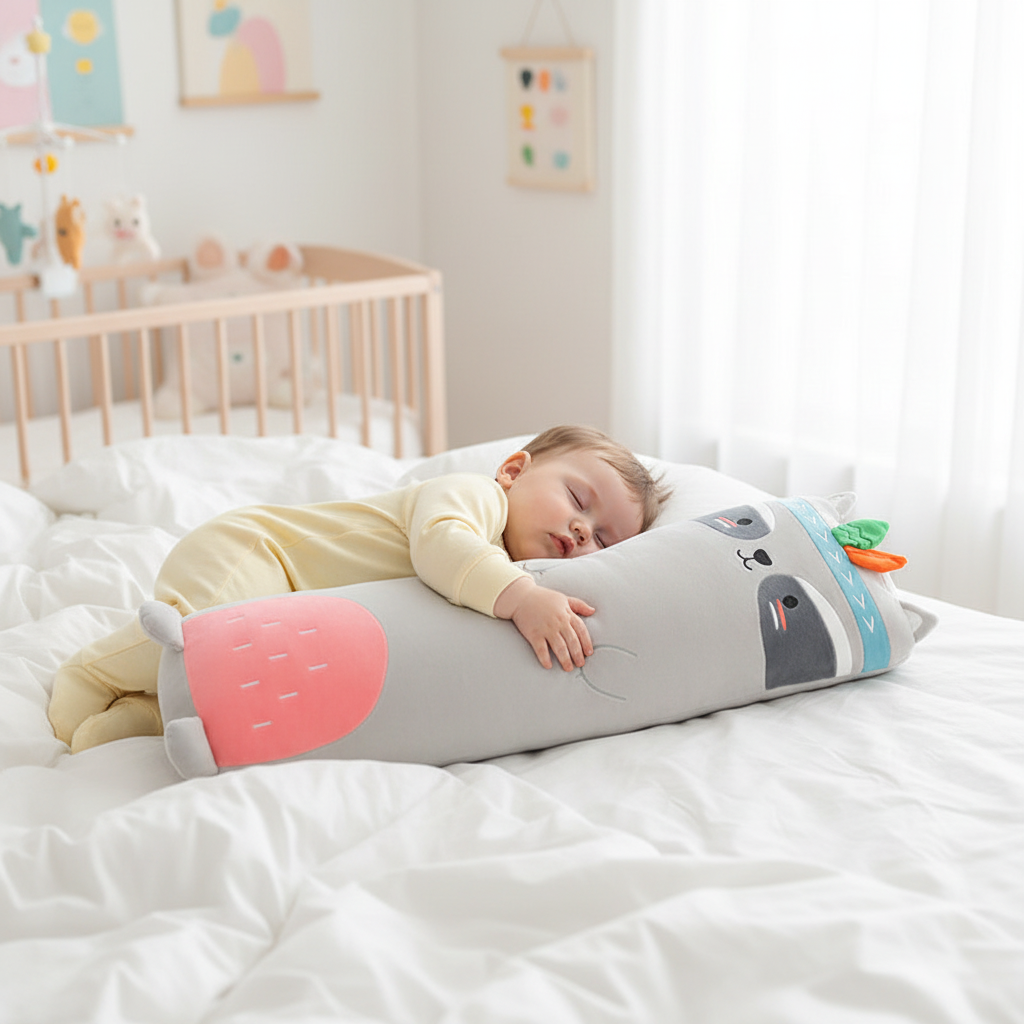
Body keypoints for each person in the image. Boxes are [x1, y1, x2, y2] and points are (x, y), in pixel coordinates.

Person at [48, 425, 671, 753]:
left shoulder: (516, 572)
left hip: (292, 612)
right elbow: (441, 548)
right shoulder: (473, 499)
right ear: (513, 471)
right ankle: (94, 672)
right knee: (202, 630)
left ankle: (142, 713)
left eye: (605, 541)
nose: (581, 531)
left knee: (224, 681)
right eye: (578, 500)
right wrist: (523, 599)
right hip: (259, 555)